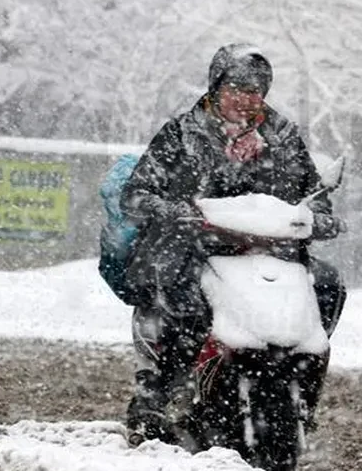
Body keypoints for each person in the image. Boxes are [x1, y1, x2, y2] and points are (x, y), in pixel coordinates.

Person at [120, 43, 347, 445]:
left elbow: (314, 194)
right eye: (236, 88)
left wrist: (320, 217)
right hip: (195, 248)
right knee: (180, 294)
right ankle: (162, 389)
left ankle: (304, 388)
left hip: (269, 254)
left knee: (328, 286)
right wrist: (173, 210)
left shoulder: (282, 134)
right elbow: (136, 193)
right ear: (215, 87)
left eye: (255, 90)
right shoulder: (182, 132)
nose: (245, 99)